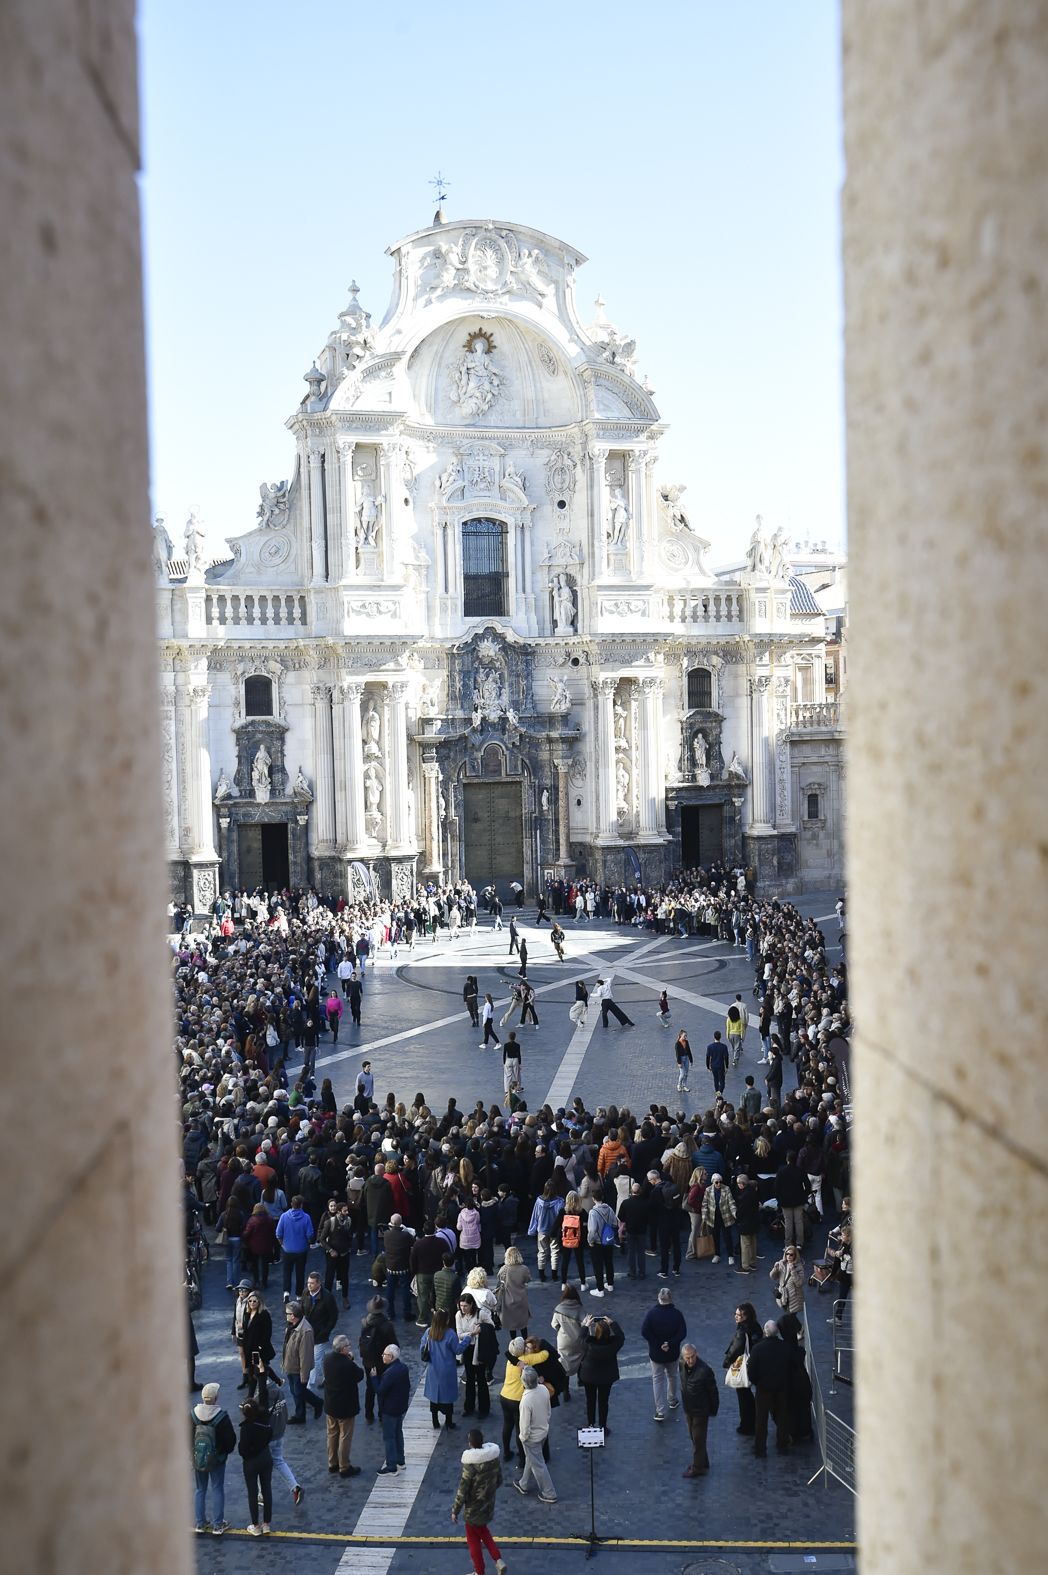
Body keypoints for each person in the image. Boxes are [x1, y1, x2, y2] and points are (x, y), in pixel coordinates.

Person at [450, 1427, 507, 1575]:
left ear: (470, 1443)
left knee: (474, 1541)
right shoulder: (493, 1460)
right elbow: (499, 1480)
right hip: (488, 1504)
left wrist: (455, 1510)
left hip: (473, 1508)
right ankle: (497, 1560)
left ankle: (481, 1570)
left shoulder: (470, 1465)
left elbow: (462, 1490)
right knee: (483, 1531)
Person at [191, 1381, 236, 1537]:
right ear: (216, 1398)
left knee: (200, 1489)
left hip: (198, 1458)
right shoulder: (221, 1417)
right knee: (217, 1489)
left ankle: (200, 1523)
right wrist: (222, 1453)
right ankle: (218, 1525)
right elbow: (230, 1441)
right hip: (217, 1460)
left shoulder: (193, 1414)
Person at [498, 1336, 549, 1464]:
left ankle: (506, 1453)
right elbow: (545, 1355)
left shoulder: (511, 1360)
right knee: (519, 1429)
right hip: (517, 1399)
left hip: (504, 1395)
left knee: (507, 1425)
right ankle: (522, 1459)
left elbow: (507, 1353)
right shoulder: (526, 1359)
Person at [746, 1320, 793, 1457]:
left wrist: (757, 1382)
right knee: (782, 1415)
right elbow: (791, 1368)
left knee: (761, 1419)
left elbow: (752, 1371)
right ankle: (782, 1442)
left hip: (763, 1389)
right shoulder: (785, 1347)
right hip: (781, 1388)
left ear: (765, 1332)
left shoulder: (758, 1349)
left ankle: (760, 1447)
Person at [641, 1286, 688, 1421]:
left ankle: (660, 1410)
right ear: (670, 1298)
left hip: (656, 1353)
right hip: (672, 1352)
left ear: (659, 1298)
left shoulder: (651, 1314)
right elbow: (682, 1333)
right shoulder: (677, 1314)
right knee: (672, 1376)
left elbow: (644, 1332)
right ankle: (672, 1399)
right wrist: (670, 1343)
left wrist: (658, 1344)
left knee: (657, 1379)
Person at [422, 1307, 471, 1430]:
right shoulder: (450, 1334)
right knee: (447, 1397)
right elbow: (458, 1350)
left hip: (433, 1369)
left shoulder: (429, 1332)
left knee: (434, 1396)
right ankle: (449, 1421)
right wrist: (467, 1339)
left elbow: (422, 1347)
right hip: (447, 1370)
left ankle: (435, 1421)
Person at [515, 1364, 557, 1502]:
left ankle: (549, 1493)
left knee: (538, 1464)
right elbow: (548, 1411)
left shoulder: (526, 1400)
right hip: (543, 1431)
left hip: (531, 1438)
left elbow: (524, 1425)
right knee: (532, 1459)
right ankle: (524, 1484)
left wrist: (523, 1437)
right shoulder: (544, 1389)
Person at [679, 1343, 720, 1478]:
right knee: (694, 1437)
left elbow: (713, 1392)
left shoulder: (704, 1370)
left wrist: (713, 1410)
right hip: (688, 1408)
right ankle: (702, 1462)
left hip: (700, 1411)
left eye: (692, 1357)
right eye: (687, 1358)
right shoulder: (682, 1365)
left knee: (697, 1438)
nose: (690, 1360)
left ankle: (698, 1468)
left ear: (696, 1354)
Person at [579, 1313, 624, 1432]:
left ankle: (591, 1424)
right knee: (604, 1401)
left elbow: (581, 1338)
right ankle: (603, 1425)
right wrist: (612, 1323)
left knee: (590, 1400)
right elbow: (621, 1336)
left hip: (589, 1376)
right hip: (606, 1377)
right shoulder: (613, 1344)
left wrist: (585, 1325)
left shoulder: (589, 1343)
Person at [723, 1302, 763, 1436]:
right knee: (748, 1395)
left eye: (738, 1315)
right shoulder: (755, 1326)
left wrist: (727, 1362)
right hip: (754, 1362)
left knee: (743, 1395)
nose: (736, 1316)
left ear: (745, 1316)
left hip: (743, 1365)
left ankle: (747, 1425)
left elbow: (736, 1349)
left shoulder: (742, 1331)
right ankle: (753, 1421)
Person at [457, 1291, 498, 1418]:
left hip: (480, 1349)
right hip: (467, 1349)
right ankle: (468, 1407)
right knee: (469, 1378)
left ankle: (483, 1409)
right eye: (461, 1305)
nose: (463, 1308)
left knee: (481, 1378)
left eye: (465, 1306)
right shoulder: (458, 1315)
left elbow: (491, 1326)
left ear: (471, 1305)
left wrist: (481, 1329)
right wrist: (473, 1333)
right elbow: (459, 1334)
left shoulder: (481, 1314)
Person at [237, 1397, 273, 1537]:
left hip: (251, 1463)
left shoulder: (246, 1428)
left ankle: (256, 1525)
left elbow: (243, 1450)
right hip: (266, 1458)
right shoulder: (265, 1423)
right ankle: (266, 1524)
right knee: (267, 1490)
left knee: (252, 1493)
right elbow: (270, 1436)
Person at [282, 1300, 323, 1423]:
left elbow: (305, 1355)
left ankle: (317, 1403)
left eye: (287, 1313)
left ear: (293, 1316)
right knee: (295, 1392)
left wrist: (304, 1374)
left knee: (299, 1392)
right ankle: (300, 1414)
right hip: (291, 1365)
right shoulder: (292, 1325)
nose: (286, 1315)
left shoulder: (305, 1331)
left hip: (298, 1369)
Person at [359, 1295, 396, 1424]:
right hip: (382, 1362)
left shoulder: (365, 1322)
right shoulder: (387, 1325)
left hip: (368, 1361)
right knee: (383, 1388)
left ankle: (368, 1414)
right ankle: (382, 1414)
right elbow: (394, 1344)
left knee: (370, 1387)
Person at [375, 1343, 411, 1473]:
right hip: (399, 1407)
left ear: (390, 1357)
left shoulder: (389, 1373)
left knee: (389, 1437)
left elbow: (380, 1390)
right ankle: (400, 1460)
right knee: (398, 1434)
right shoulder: (403, 1368)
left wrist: (374, 1379)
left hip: (389, 1409)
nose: (382, 1356)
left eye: (384, 1354)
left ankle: (391, 1465)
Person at [302, 1270, 339, 1389]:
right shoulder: (306, 1293)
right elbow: (303, 1309)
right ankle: (327, 1377)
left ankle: (309, 1386)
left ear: (319, 1284)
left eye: (312, 1283)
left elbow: (334, 1316)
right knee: (319, 1359)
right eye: (308, 1283)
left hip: (320, 1335)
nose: (309, 1285)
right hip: (307, 1332)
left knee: (314, 1359)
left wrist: (326, 1331)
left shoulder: (327, 1297)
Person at [550, 1282, 585, 1400]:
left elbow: (554, 1325)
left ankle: (566, 1391)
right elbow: (585, 1324)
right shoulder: (579, 1308)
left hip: (564, 1341)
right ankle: (581, 1380)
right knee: (580, 1359)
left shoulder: (559, 1309)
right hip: (578, 1340)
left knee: (564, 1365)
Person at [276, 1194, 314, 1300]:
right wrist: (307, 1243)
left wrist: (282, 1244)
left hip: (287, 1250)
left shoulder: (284, 1216)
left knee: (287, 1271)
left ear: (291, 1204)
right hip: (301, 1250)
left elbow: (278, 1233)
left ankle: (286, 1292)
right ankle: (299, 1295)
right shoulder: (306, 1217)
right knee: (300, 1272)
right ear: (301, 1205)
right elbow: (310, 1234)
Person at [700, 1173, 738, 1265]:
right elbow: (705, 1203)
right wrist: (704, 1216)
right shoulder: (708, 1190)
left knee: (727, 1236)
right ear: (713, 1182)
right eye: (716, 1182)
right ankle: (717, 1254)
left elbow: (731, 1202)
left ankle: (730, 1256)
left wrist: (735, 1213)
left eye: (720, 1182)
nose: (718, 1184)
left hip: (725, 1216)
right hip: (713, 1217)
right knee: (715, 1237)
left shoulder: (726, 1189)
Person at [585, 1194, 619, 1296]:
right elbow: (615, 1223)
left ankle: (600, 1289)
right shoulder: (609, 1209)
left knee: (598, 1266)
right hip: (608, 1241)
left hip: (598, 1242)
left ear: (593, 1199)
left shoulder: (593, 1212)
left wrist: (590, 1241)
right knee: (609, 1263)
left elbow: (592, 1230)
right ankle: (610, 1284)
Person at [775, 1150, 809, 1249]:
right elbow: (807, 1186)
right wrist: (804, 1196)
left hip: (785, 1201)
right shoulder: (800, 1170)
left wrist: (779, 1199)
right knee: (799, 1221)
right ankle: (799, 1243)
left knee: (788, 1222)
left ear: (787, 1159)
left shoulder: (781, 1171)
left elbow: (776, 1187)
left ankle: (788, 1243)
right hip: (798, 1200)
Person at [496, 1245, 531, 1338]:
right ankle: (526, 1343)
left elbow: (499, 1278)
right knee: (523, 1325)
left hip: (508, 1300)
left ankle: (515, 1346)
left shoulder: (504, 1269)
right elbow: (528, 1279)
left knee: (512, 1326)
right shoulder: (524, 1269)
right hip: (521, 1299)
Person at [734, 1173, 761, 1274]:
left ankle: (745, 1266)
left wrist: (737, 1217)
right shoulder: (753, 1192)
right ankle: (753, 1263)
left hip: (745, 1222)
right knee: (753, 1242)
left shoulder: (743, 1196)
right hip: (754, 1221)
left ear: (742, 1184)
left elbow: (740, 1211)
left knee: (745, 1244)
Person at [770, 1245, 806, 1314]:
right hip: (783, 1295)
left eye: (791, 1254)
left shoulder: (799, 1267)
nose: (788, 1256)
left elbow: (799, 1283)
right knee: (787, 1316)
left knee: (790, 1316)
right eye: (787, 1254)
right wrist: (775, 1269)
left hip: (794, 1297)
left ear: (795, 1256)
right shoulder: (781, 1264)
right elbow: (773, 1277)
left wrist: (793, 1270)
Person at [726, 997, 748, 1065]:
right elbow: (742, 1029)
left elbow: (728, 1028)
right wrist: (742, 1036)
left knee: (734, 1047)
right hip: (737, 1034)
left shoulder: (728, 1019)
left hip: (730, 1034)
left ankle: (734, 1055)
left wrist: (727, 1036)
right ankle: (735, 1059)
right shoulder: (739, 1020)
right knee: (737, 1047)